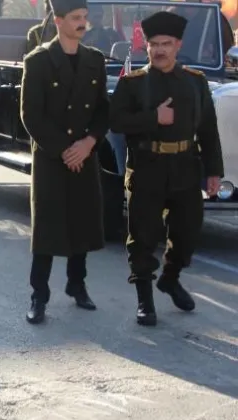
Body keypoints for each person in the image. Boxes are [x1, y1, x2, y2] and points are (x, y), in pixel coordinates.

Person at [108, 11, 224, 327]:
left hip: (186, 167)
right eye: (154, 44)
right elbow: (114, 122)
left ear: (178, 45)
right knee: (142, 237)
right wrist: (152, 118)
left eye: (166, 44)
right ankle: (145, 300)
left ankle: (170, 278)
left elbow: (209, 129)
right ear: (146, 47)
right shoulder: (133, 84)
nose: (159, 50)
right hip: (147, 168)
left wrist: (214, 171)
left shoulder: (195, 83)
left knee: (187, 232)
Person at [19, 0, 109, 324]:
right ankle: (38, 295)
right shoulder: (39, 61)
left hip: (84, 154)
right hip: (52, 158)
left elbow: (102, 110)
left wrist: (88, 143)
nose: (83, 23)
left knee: (82, 221)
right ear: (58, 21)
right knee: (47, 228)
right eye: (76, 18)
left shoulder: (94, 60)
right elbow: (31, 115)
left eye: (84, 17)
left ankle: (77, 284)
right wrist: (64, 150)